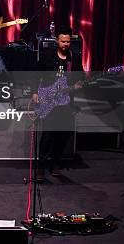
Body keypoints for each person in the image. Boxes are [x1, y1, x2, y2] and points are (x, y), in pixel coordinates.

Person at [32, 24, 84, 180]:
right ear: (57, 41)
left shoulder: (73, 59)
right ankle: (40, 167)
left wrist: (78, 86)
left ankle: (56, 164)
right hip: (49, 101)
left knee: (62, 135)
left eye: (68, 42)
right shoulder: (48, 56)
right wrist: (35, 92)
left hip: (66, 103)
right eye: (63, 42)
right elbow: (36, 74)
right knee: (47, 135)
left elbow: (80, 77)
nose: (66, 44)